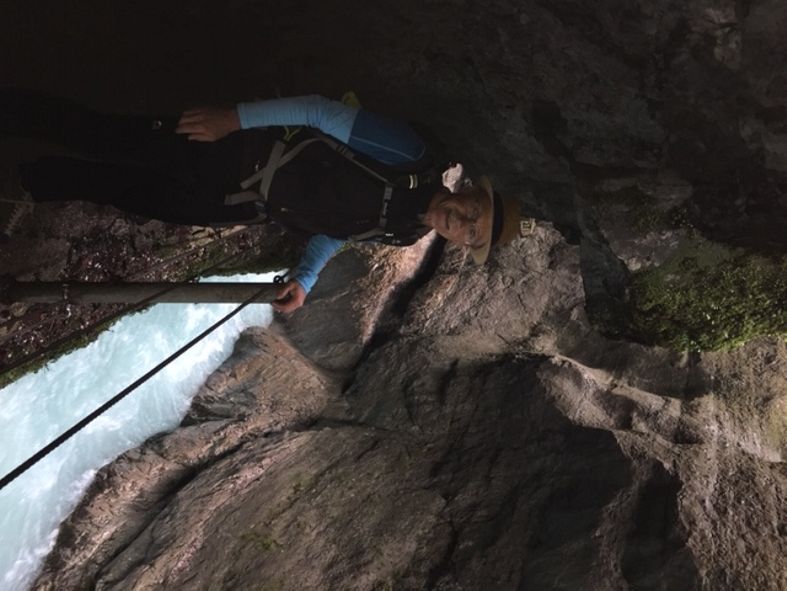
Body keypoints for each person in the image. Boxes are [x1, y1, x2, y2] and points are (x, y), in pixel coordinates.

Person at [0, 89, 526, 312]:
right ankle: (17, 111)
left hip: (237, 204)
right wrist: (234, 117)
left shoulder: (409, 230)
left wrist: (307, 276)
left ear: (459, 242)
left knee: (122, 192)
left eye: (469, 233)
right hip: (239, 150)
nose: (461, 222)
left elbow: (338, 229)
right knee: (107, 137)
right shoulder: (411, 157)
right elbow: (321, 113)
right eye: (473, 211)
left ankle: (25, 178)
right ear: (469, 192)